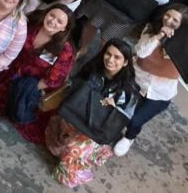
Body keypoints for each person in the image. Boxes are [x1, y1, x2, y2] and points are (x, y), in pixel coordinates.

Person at [45, 39, 139, 188]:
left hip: (96, 128)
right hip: (77, 115)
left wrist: (115, 107)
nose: (110, 59)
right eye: (108, 54)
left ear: (126, 62)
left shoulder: (129, 90)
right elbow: (73, 86)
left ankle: (68, 172)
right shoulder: (92, 69)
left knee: (75, 149)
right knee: (64, 139)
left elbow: (125, 117)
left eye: (117, 57)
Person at [0, 4, 75, 143]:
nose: (53, 21)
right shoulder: (31, 24)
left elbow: (54, 79)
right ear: (46, 13)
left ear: (64, 28)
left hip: (34, 84)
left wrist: (25, 89)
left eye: (59, 21)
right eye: (52, 15)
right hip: (9, 69)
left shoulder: (64, 49)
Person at [113, 4, 188, 157]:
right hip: (137, 81)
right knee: (120, 108)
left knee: (135, 120)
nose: (168, 20)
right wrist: (158, 37)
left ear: (183, 25)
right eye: (167, 15)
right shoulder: (151, 28)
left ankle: (129, 138)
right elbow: (141, 53)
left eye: (175, 20)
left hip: (160, 93)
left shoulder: (186, 44)